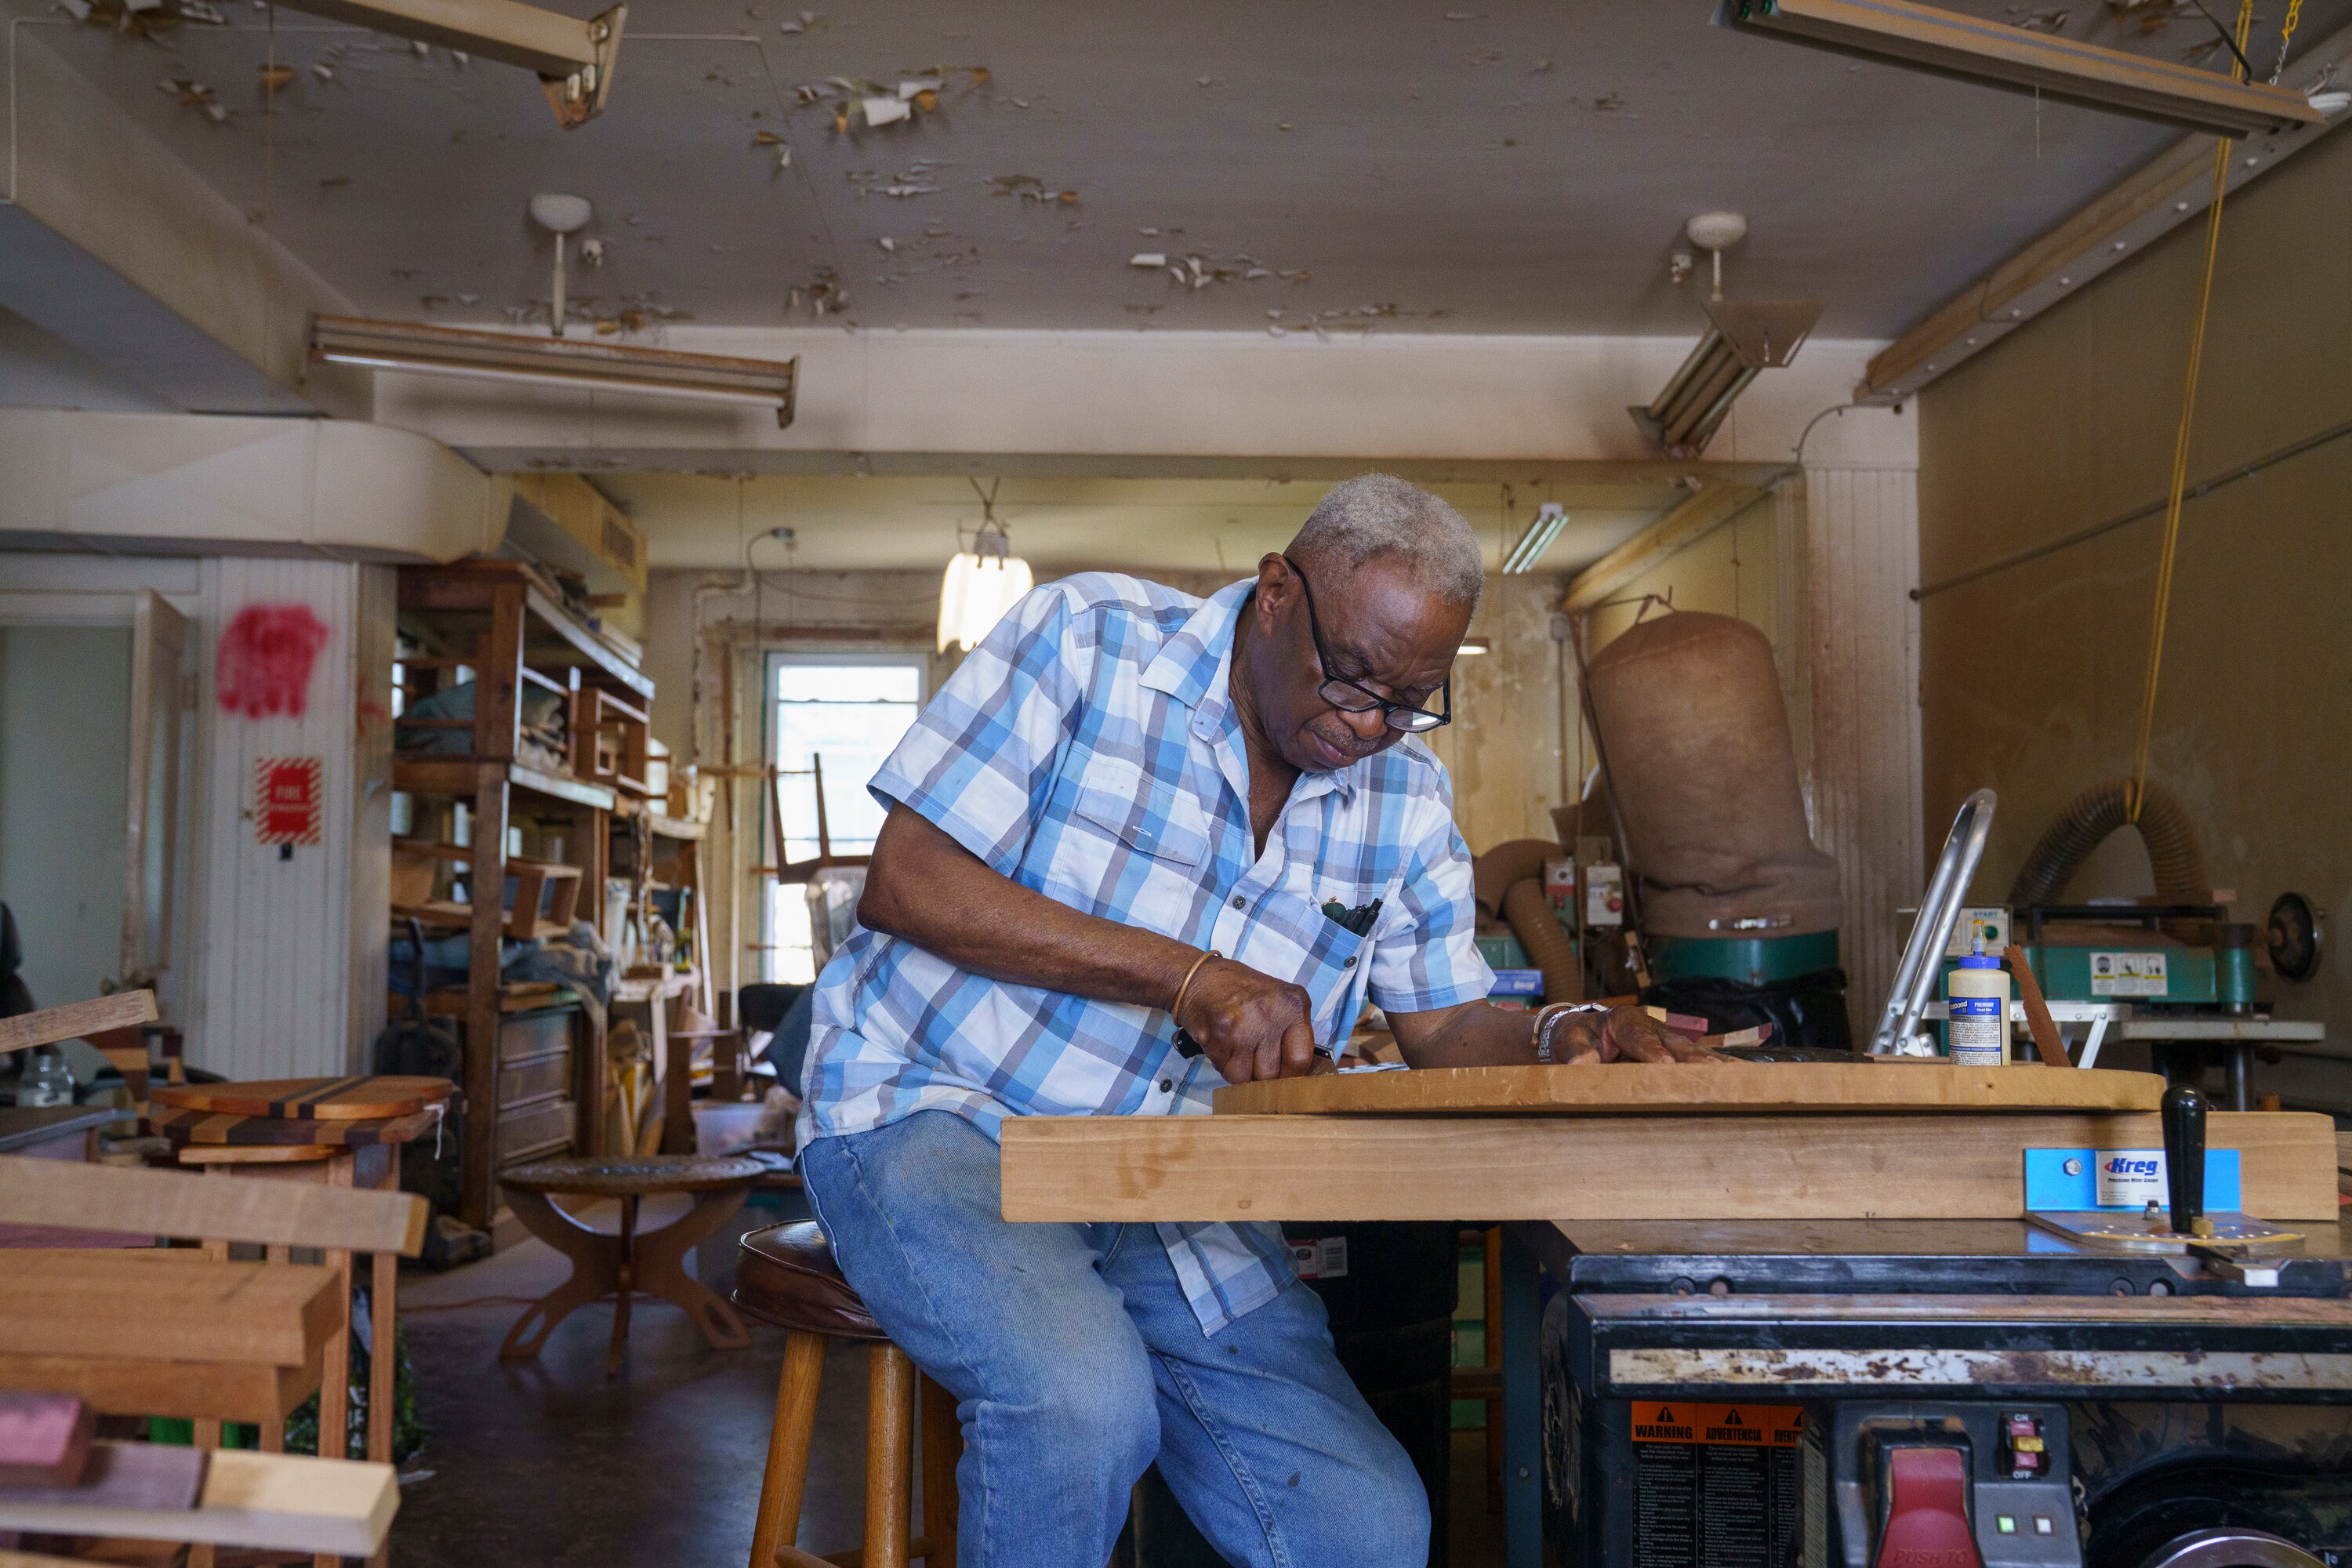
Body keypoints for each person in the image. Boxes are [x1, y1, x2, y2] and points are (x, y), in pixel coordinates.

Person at [795, 474, 1717, 1568]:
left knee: (1370, 1528)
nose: (1371, 722)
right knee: (1086, 1409)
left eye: (1412, 696)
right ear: (1278, 592)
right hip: (939, 1117)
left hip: (1170, 1186)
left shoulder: (1405, 799)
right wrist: (1191, 977)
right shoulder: (1087, 641)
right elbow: (906, 881)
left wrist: (1564, 1032)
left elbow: (1449, 1027)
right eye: (1353, 678)